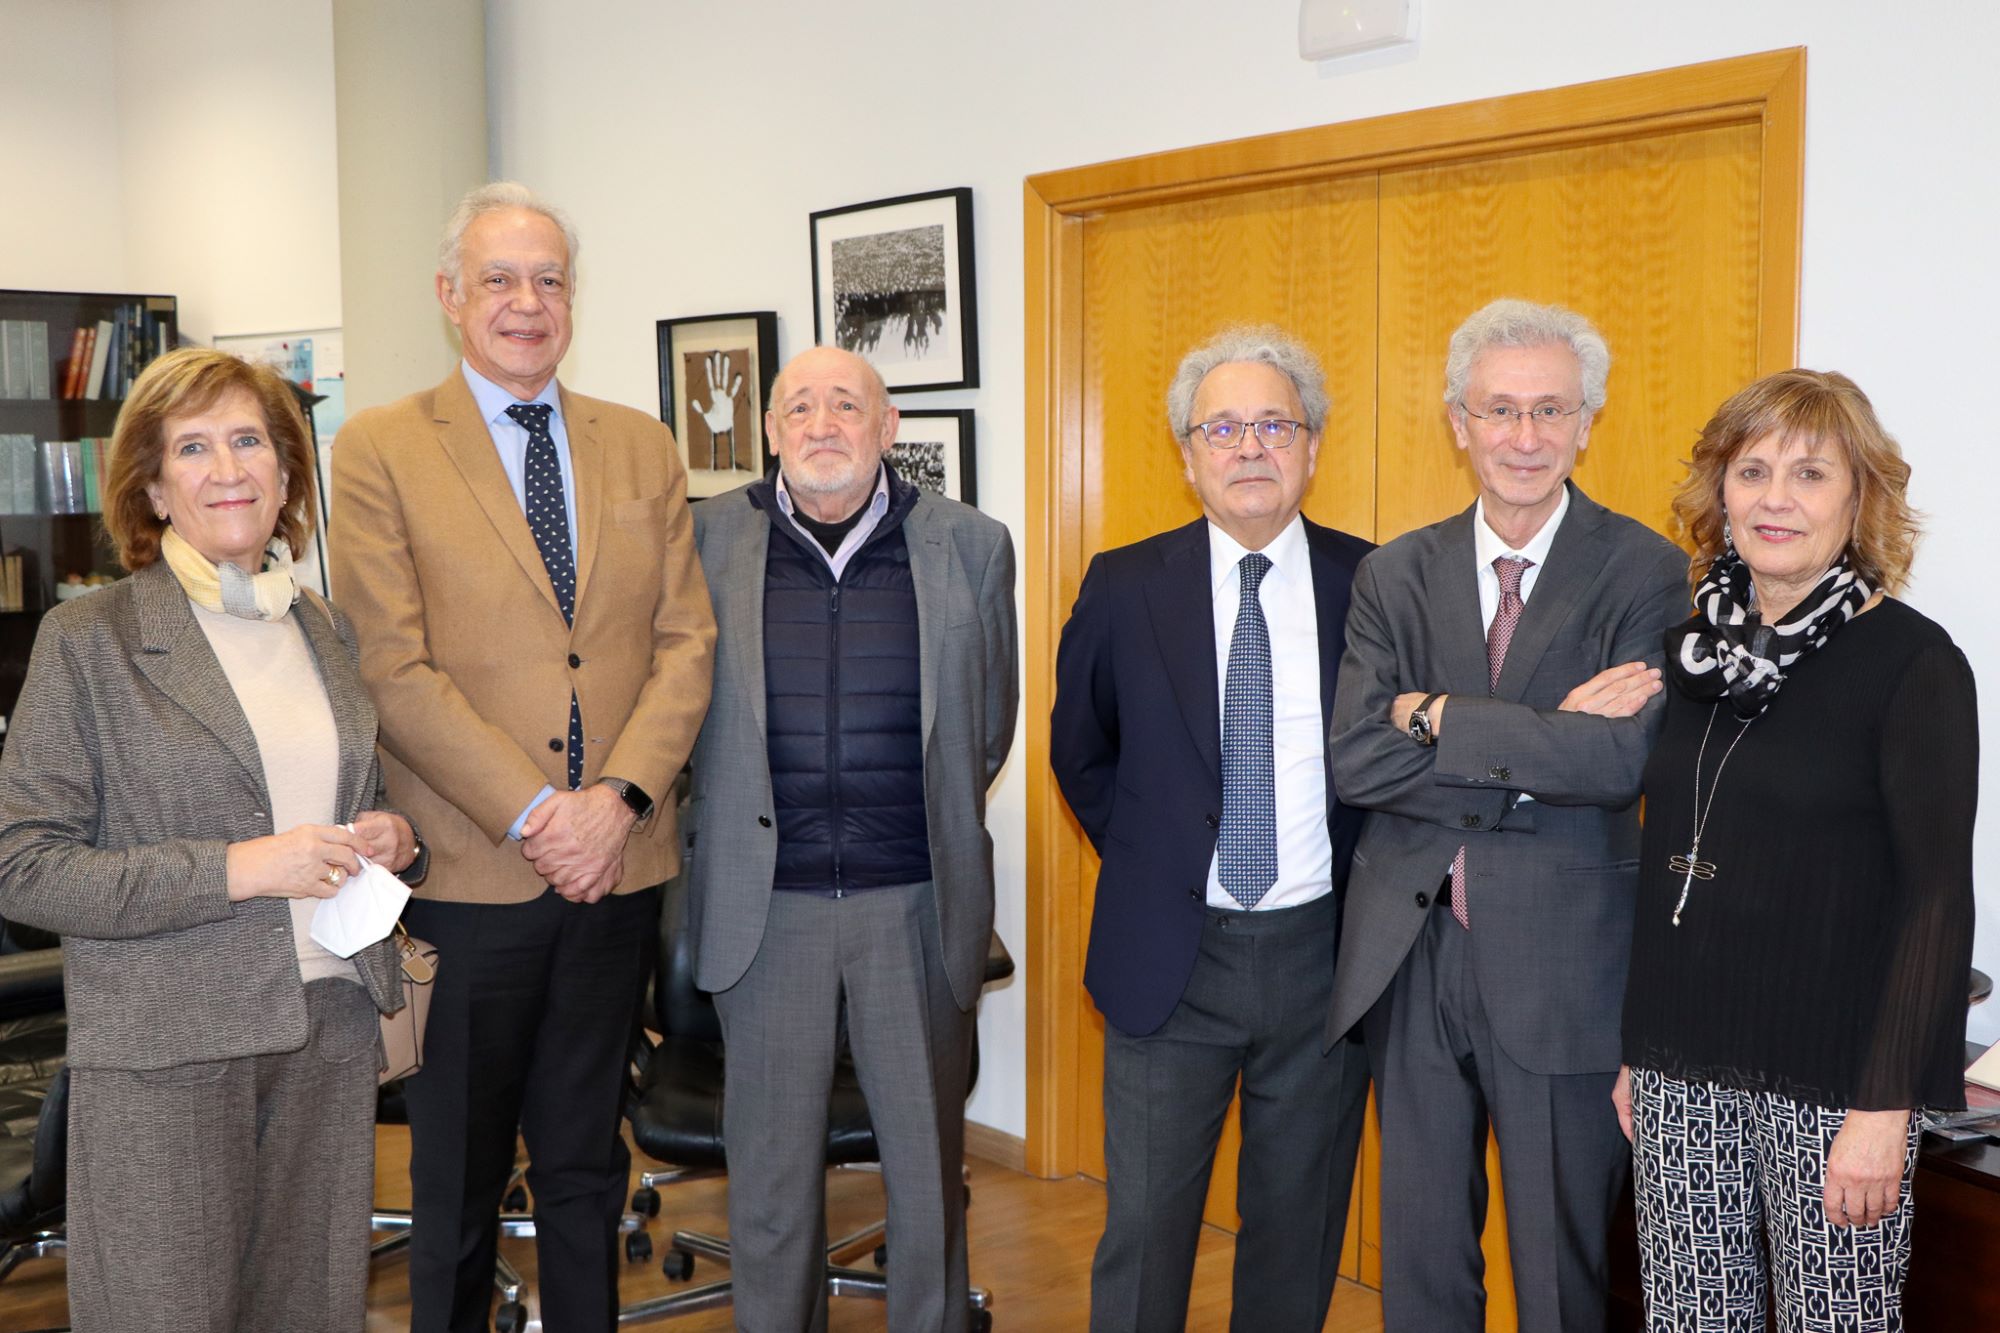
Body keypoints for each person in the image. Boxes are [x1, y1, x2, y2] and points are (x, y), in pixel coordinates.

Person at [330, 181, 716, 1333]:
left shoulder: (641, 446)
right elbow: (391, 670)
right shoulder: (381, 449)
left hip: (616, 873)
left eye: (548, 278)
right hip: (469, 881)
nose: (526, 302)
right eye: (499, 278)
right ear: (451, 297)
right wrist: (540, 811)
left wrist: (616, 802)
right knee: (453, 1188)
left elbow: (685, 641)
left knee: (587, 1171)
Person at [0, 348, 422, 1331]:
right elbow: (25, 867)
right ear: (152, 485)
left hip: (330, 1029)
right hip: (166, 1050)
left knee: (311, 1312)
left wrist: (394, 833)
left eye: (248, 441)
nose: (226, 468)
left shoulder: (321, 627)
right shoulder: (90, 641)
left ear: (285, 473)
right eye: (193, 447)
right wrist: (237, 869)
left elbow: (351, 790)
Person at [1325, 299, 1689, 1331]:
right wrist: (1538, 741)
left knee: (1559, 1271)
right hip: (1409, 950)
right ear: (1457, 421)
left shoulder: (1643, 569)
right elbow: (1355, 756)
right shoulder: (1392, 572)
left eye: (1548, 411)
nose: (1523, 438)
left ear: (1586, 422)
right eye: (1498, 410)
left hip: (1562, 964)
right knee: (1423, 1263)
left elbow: (1619, 759)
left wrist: (1435, 716)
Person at [1616, 370, 1975, 1333]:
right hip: (1680, 1065)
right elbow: (1670, 861)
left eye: (1811, 473)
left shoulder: (1914, 663)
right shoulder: (1694, 652)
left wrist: (1885, 1106)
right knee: (1689, 1316)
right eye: (1754, 469)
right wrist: (1640, 1052)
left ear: (1859, 501)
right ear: (1719, 492)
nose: (1776, 497)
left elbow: (1937, 899)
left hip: (1835, 1085)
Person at [685, 344, 1017, 1331]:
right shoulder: (706, 539)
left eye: (845, 405)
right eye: (798, 408)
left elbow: (984, 721)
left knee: (924, 1176)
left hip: (911, 902)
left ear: (888, 426)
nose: (821, 425)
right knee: (772, 1189)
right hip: (766, 906)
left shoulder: (970, 544)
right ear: (770, 431)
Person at [1050, 326, 1375, 1331]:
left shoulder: (1371, 584)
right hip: (1169, 959)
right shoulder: (1122, 583)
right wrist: (1160, 866)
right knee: (1146, 1231)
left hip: (1322, 958)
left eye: (1273, 424)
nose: (1249, 447)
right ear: (1186, 453)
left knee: (1295, 1229)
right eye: (1221, 426)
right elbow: (1081, 753)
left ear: (1310, 447)